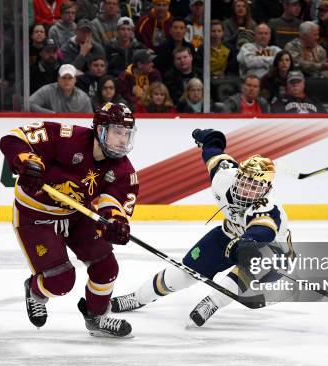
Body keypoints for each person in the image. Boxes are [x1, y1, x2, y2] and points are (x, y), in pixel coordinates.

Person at [110, 128, 291, 327]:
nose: (246, 189)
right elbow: (214, 153)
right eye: (244, 181)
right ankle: (138, 297)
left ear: (266, 189)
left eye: (254, 186)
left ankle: (212, 302)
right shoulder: (224, 177)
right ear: (238, 176)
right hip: (229, 233)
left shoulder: (269, 209)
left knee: (238, 276)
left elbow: (263, 231)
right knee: (183, 273)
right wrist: (210, 139)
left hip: (270, 251)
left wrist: (248, 242)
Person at [0, 102, 139, 337]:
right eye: (117, 132)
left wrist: (115, 224)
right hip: (35, 216)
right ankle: (35, 292)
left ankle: (97, 316)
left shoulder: (124, 171)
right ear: (100, 130)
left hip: (76, 214)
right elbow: (11, 139)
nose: (123, 140)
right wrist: (26, 161)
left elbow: (113, 203)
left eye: (127, 134)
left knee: (106, 267)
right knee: (61, 282)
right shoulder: (67, 137)